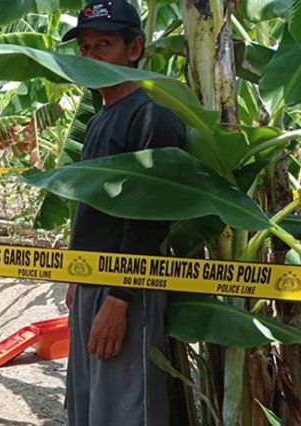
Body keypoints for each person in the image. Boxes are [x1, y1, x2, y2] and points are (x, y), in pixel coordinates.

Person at [61, 2, 186, 425]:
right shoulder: (101, 118)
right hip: (91, 282)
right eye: (85, 47)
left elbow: (150, 216)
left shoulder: (153, 118)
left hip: (125, 288)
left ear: (134, 49)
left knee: (125, 405)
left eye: (104, 45)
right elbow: (94, 207)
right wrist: (78, 276)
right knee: (90, 400)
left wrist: (120, 297)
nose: (92, 56)